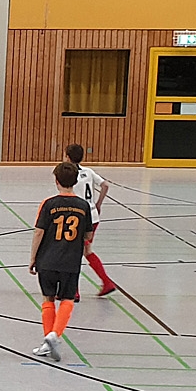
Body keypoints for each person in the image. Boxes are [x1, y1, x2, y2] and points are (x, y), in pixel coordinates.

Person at [28, 161, 94, 362]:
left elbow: (39, 232)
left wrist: (33, 258)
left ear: (56, 181)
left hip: (47, 260)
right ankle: (54, 335)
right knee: (67, 299)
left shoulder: (48, 204)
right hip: (70, 262)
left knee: (48, 298)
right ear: (75, 181)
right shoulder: (83, 206)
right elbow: (88, 234)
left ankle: (48, 338)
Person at [66, 143, 118, 298]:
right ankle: (106, 282)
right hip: (93, 217)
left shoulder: (69, 174)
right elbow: (105, 185)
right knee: (87, 251)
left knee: (73, 253)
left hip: (78, 217)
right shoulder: (88, 171)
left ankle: (74, 291)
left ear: (67, 157)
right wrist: (98, 204)